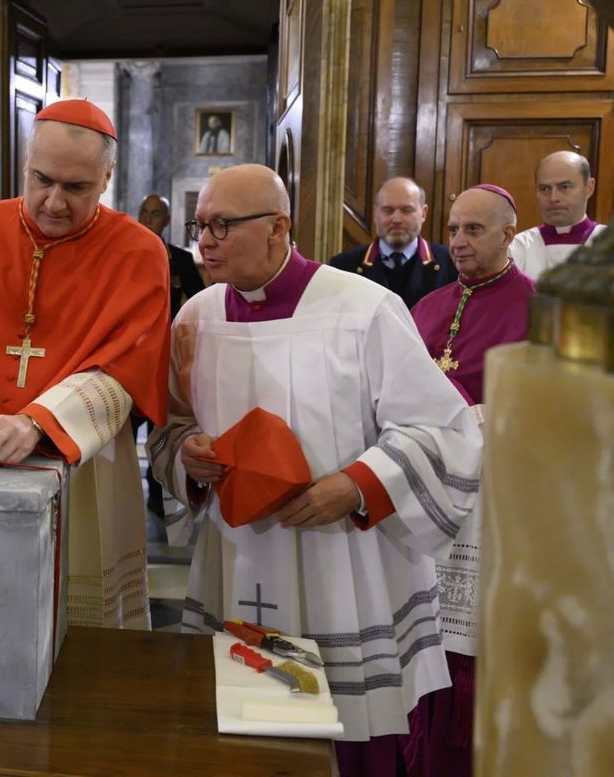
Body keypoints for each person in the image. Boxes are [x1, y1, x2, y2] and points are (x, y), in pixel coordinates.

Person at [147, 164, 482, 775]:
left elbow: (444, 429)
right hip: (241, 559)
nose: (205, 240)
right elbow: (170, 428)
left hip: (342, 563)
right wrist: (188, 454)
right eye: (200, 225)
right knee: (252, 741)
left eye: (223, 224)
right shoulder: (194, 317)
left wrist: (359, 483)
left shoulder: (363, 308)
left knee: (348, 743)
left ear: (278, 226)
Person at [0, 99, 171, 630]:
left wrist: (37, 421)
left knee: (80, 632)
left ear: (107, 177)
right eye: (42, 180)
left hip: (81, 463)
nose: (54, 201)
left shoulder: (138, 251)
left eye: (77, 188)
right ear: (26, 163)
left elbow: (127, 372)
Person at [405, 185, 536, 777]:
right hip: (420, 499)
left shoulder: (540, 307)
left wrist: (469, 417)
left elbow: (547, 407)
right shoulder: (427, 307)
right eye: (453, 229)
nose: (458, 241)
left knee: (467, 651)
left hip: (495, 508)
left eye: (474, 230)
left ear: (509, 235)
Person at [135, 193, 204, 521]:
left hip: (166, 356)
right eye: (143, 213)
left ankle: (158, 487)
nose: (148, 219)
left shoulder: (181, 259)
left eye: (155, 214)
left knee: (160, 424)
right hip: (130, 357)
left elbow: (199, 302)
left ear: (166, 220)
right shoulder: (123, 254)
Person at [329, 177, 456, 308]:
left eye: (406, 210)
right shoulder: (343, 267)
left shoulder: (451, 264)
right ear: (375, 213)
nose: (396, 219)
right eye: (388, 210)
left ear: (423, 213)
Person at [509, 151, 606, 281]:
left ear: (589, 187)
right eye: (545, 189)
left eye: (564, 187)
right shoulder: (517, 247)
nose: (553, 198)